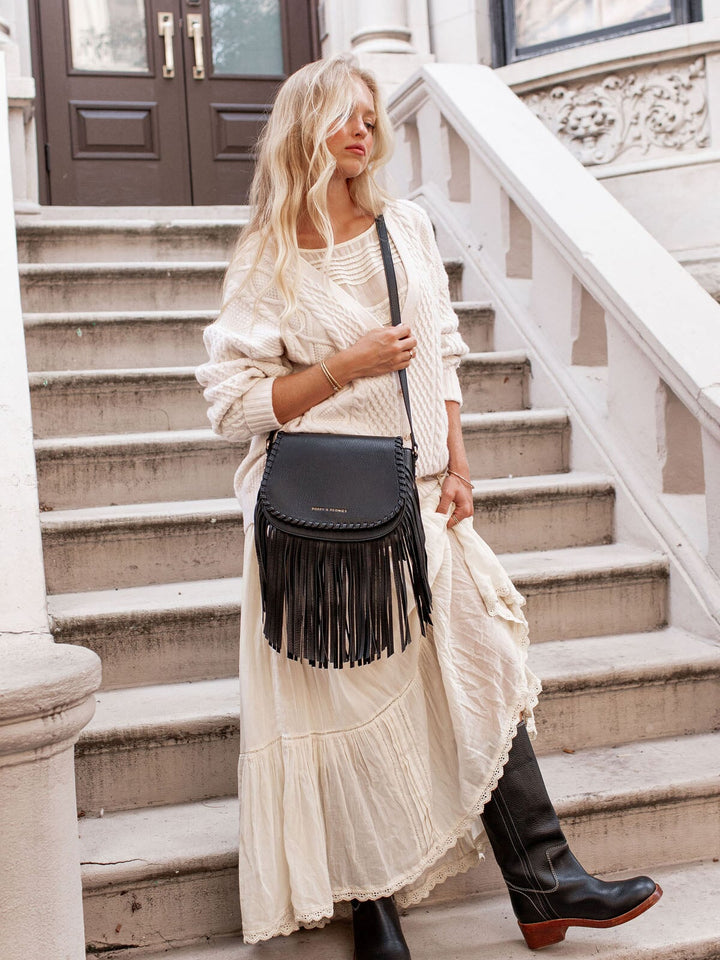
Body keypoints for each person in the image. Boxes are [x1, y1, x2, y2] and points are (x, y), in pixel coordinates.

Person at [197, 55, 661, 958]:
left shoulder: (402, 225)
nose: (362, 131)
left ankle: (546, 880)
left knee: (482, 663)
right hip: (321, 520)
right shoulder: (270, 256)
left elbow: (440, 348)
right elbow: (234, 405)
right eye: (345, 116)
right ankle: (376, 909)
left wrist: (459, 460)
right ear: (305, 127)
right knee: (351, 708)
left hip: (416, 496)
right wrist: (346, 367)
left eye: (371, 118)